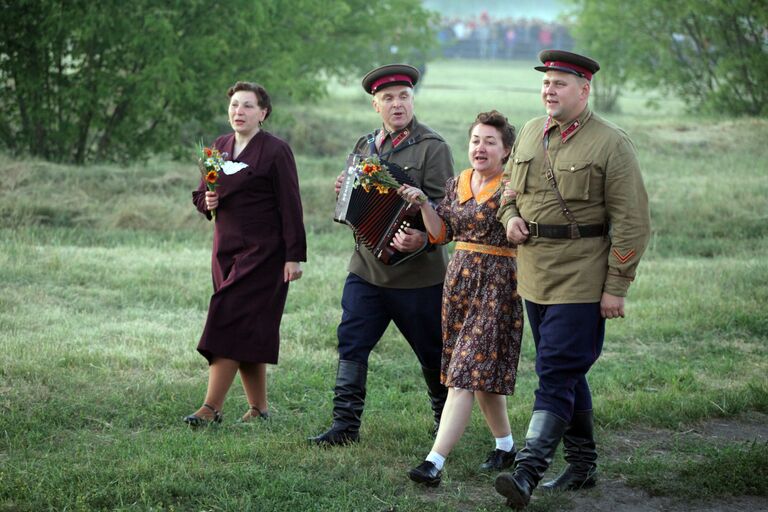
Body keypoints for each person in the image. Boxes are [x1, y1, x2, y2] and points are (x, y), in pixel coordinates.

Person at [493, 50, 651, 508]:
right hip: (535, 273)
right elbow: (508, 190)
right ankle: (582, 466)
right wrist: (509, 217)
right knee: (566, 368)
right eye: (546, 83)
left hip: (583, 275)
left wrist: (616, 285)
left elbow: (633, 222)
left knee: (556, 371)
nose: (550, 90)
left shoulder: (611, 143)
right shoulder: (528, 132)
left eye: (560, 83)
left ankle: (526, 473)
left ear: (584, 90)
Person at [308, 64, 454, 446]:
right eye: (388, 98)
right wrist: (344, 190)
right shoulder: (364, 146)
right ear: (376, 105)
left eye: (403, 96)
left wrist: (422, 239)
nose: (397, 104)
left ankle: (444, 421)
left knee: (432, 350)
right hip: (366, 268)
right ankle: (344, 426)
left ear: (412, 100)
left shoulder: (432, 147)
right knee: (352, 342)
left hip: (418, 276)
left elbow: (446, 209)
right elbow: (352, 203)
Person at [399, 111, 524, 487]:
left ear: (506, 151)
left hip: (498, 285)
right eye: (475, 140)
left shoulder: (513, 187)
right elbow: (441, 235)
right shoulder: (458, 183)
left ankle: (434, 462)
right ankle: (506, 447)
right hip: (459, 285)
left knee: (464, 376)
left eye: (490, 142)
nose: (480, 148)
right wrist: (424, 204)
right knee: (479, 375)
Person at [185, 81, 307, 426]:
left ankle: (211, 408)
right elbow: (201, 194)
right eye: (235, 105)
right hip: (224, 250)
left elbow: (291, 204)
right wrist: (206, 202)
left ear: (263, 113)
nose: (239, 112)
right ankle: (259, 409)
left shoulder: (276, 150)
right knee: (249, 328)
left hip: (264, 253)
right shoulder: (219, 147)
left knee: (227, 318)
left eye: (248, 106)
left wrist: (293, 256)